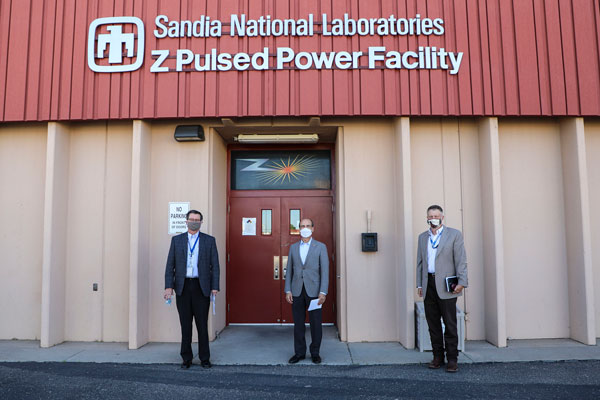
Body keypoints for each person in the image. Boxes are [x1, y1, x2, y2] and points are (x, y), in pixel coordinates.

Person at [164, 210, 220, 369]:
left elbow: (215, 266)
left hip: (201, 287)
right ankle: (186, 358)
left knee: (202, 325)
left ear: (201, 222)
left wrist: (215, 286)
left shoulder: (209, 241)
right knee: (185, 325)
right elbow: (170, 266)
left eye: (197, 220)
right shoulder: (177, 240)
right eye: (191, 219)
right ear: (186, 221)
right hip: (182, 287)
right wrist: (169, 287)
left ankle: (205, 358)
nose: (194, 221)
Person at [416, 205, 468, 373]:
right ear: (427, 218)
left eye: (436, 215)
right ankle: (438, 357)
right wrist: (419, 284)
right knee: (433, 324)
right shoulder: (423, 237)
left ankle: (452, 359)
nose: (433, 218)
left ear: (442, 217)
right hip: (428, 284)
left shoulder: (454, 235)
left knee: (450, 324)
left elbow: (461, 260)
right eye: (430, 216)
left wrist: (462, 281)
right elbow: (420, 263)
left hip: (447, 285)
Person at [285, 218, 329, 364]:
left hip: (315, 291)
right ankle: (299, 353)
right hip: (297, 290)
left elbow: (325, 271)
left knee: (316, 323)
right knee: (298, 324)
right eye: (302, 226)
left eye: (308, 225)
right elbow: (289, 270)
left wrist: (323, 291)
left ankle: (315, 353)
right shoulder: (293, 247)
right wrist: (288, 290)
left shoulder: (320, 247)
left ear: (313, 228)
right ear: (299, 229)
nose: (305, 228)